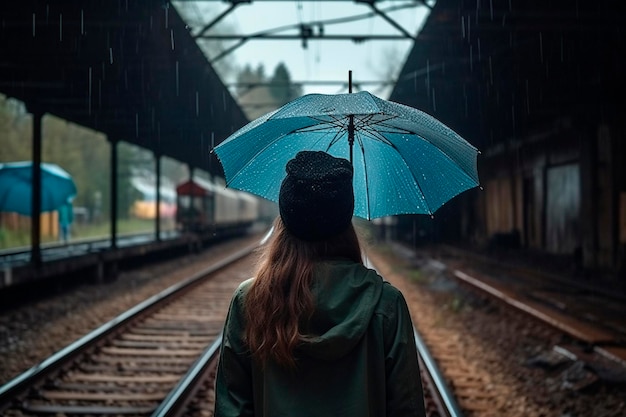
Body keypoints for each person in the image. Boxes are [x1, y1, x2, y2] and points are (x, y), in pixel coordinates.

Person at [214, 151, 426, 417]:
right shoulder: (387, 304)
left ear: (285, 221)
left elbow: (231, 409)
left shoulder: (250, 300)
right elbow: (407, 409)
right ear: (345, 221)